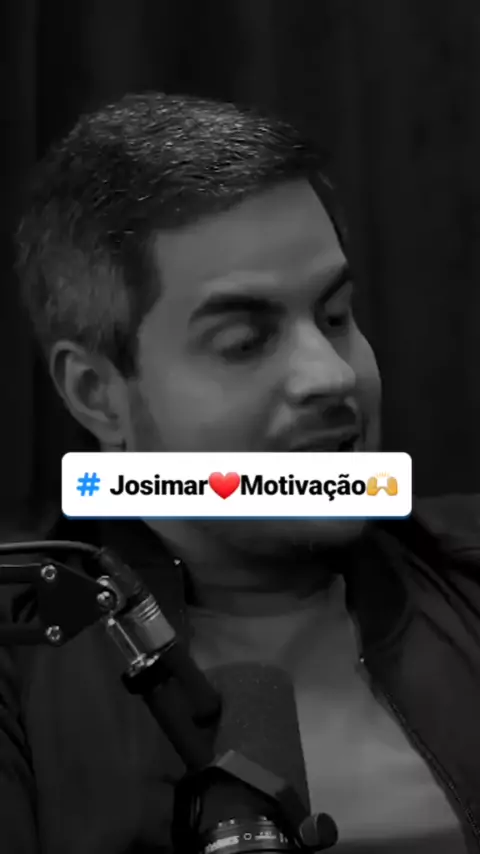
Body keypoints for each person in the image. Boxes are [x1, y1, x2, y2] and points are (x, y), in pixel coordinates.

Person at [1, 91, 479, 854]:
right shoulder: (22, 672)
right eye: (245, 342)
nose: (332, 376)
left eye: (335, 317)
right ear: (97, 393)